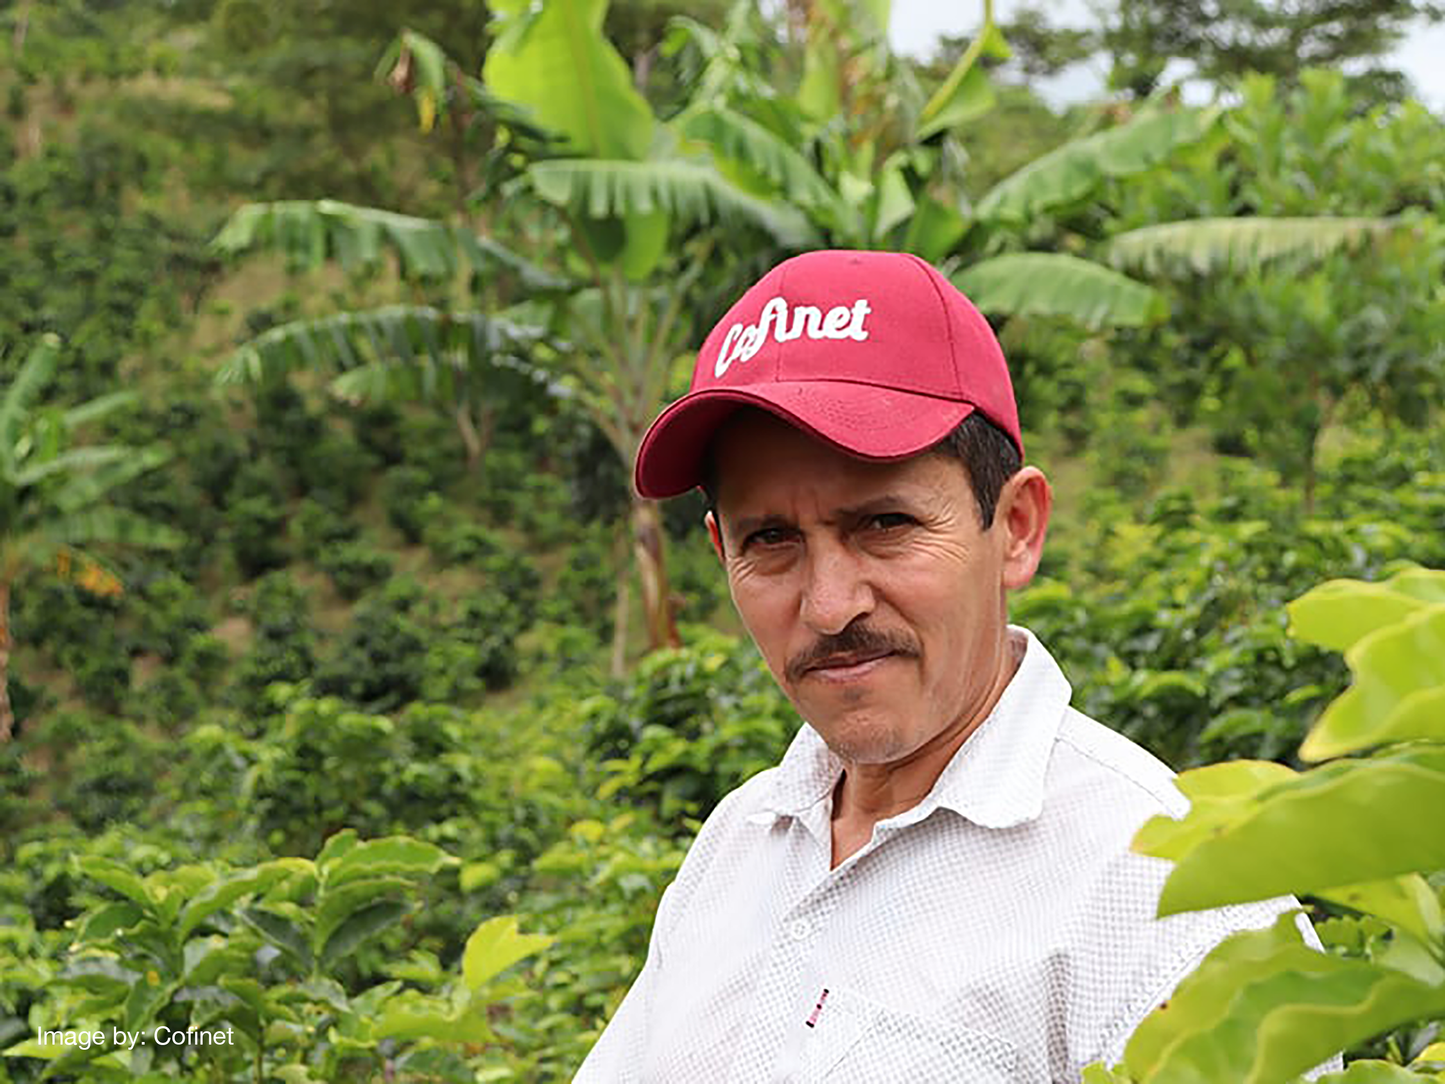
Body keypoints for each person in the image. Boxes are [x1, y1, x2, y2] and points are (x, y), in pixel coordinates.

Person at [574, 250, 1335, 1082]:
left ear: (1014, 527)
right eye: (771, 540)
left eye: (884, 524)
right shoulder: (738, 844)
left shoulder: (1167, 889)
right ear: (720, 551)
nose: (829, 606)